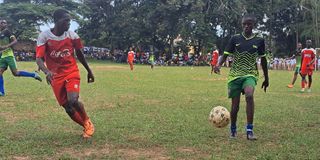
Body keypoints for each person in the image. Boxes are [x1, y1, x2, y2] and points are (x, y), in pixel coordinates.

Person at [36, 9, 95, 138]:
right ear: (56, 21)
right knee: (68, 108)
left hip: (71, 71)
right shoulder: (44, 37)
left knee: (73, 100)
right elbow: (39, 58)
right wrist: (47, 71)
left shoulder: (73, 36)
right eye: (66, 20)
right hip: (55, 76)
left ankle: (88, 122)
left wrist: (89, 71)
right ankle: (85, 125)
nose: (69, 23)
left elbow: (80, 55)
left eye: (70, 20)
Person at [214, 14, 269, 140]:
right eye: (244, 24)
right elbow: (225, 54)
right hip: (235, 75)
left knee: (249, 95)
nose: (246, 26)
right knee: (235, 107)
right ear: (242, 25)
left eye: (249, 24)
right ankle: (233, 129)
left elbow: (263, 60)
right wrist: (218, 65)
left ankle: (249, 130)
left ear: (253, 25)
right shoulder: (235, 39)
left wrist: (266, 78)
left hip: (250, 74)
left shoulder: (259, 40)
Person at [0, 19, 42, 96]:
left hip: (9, 55)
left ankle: (33, 75)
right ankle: (1, 92)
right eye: (2, 23)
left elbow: (15, 41)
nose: (4, 24)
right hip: (3, 56)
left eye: (5, 23)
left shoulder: (7, 32)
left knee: (15, 73)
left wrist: (7, 46)